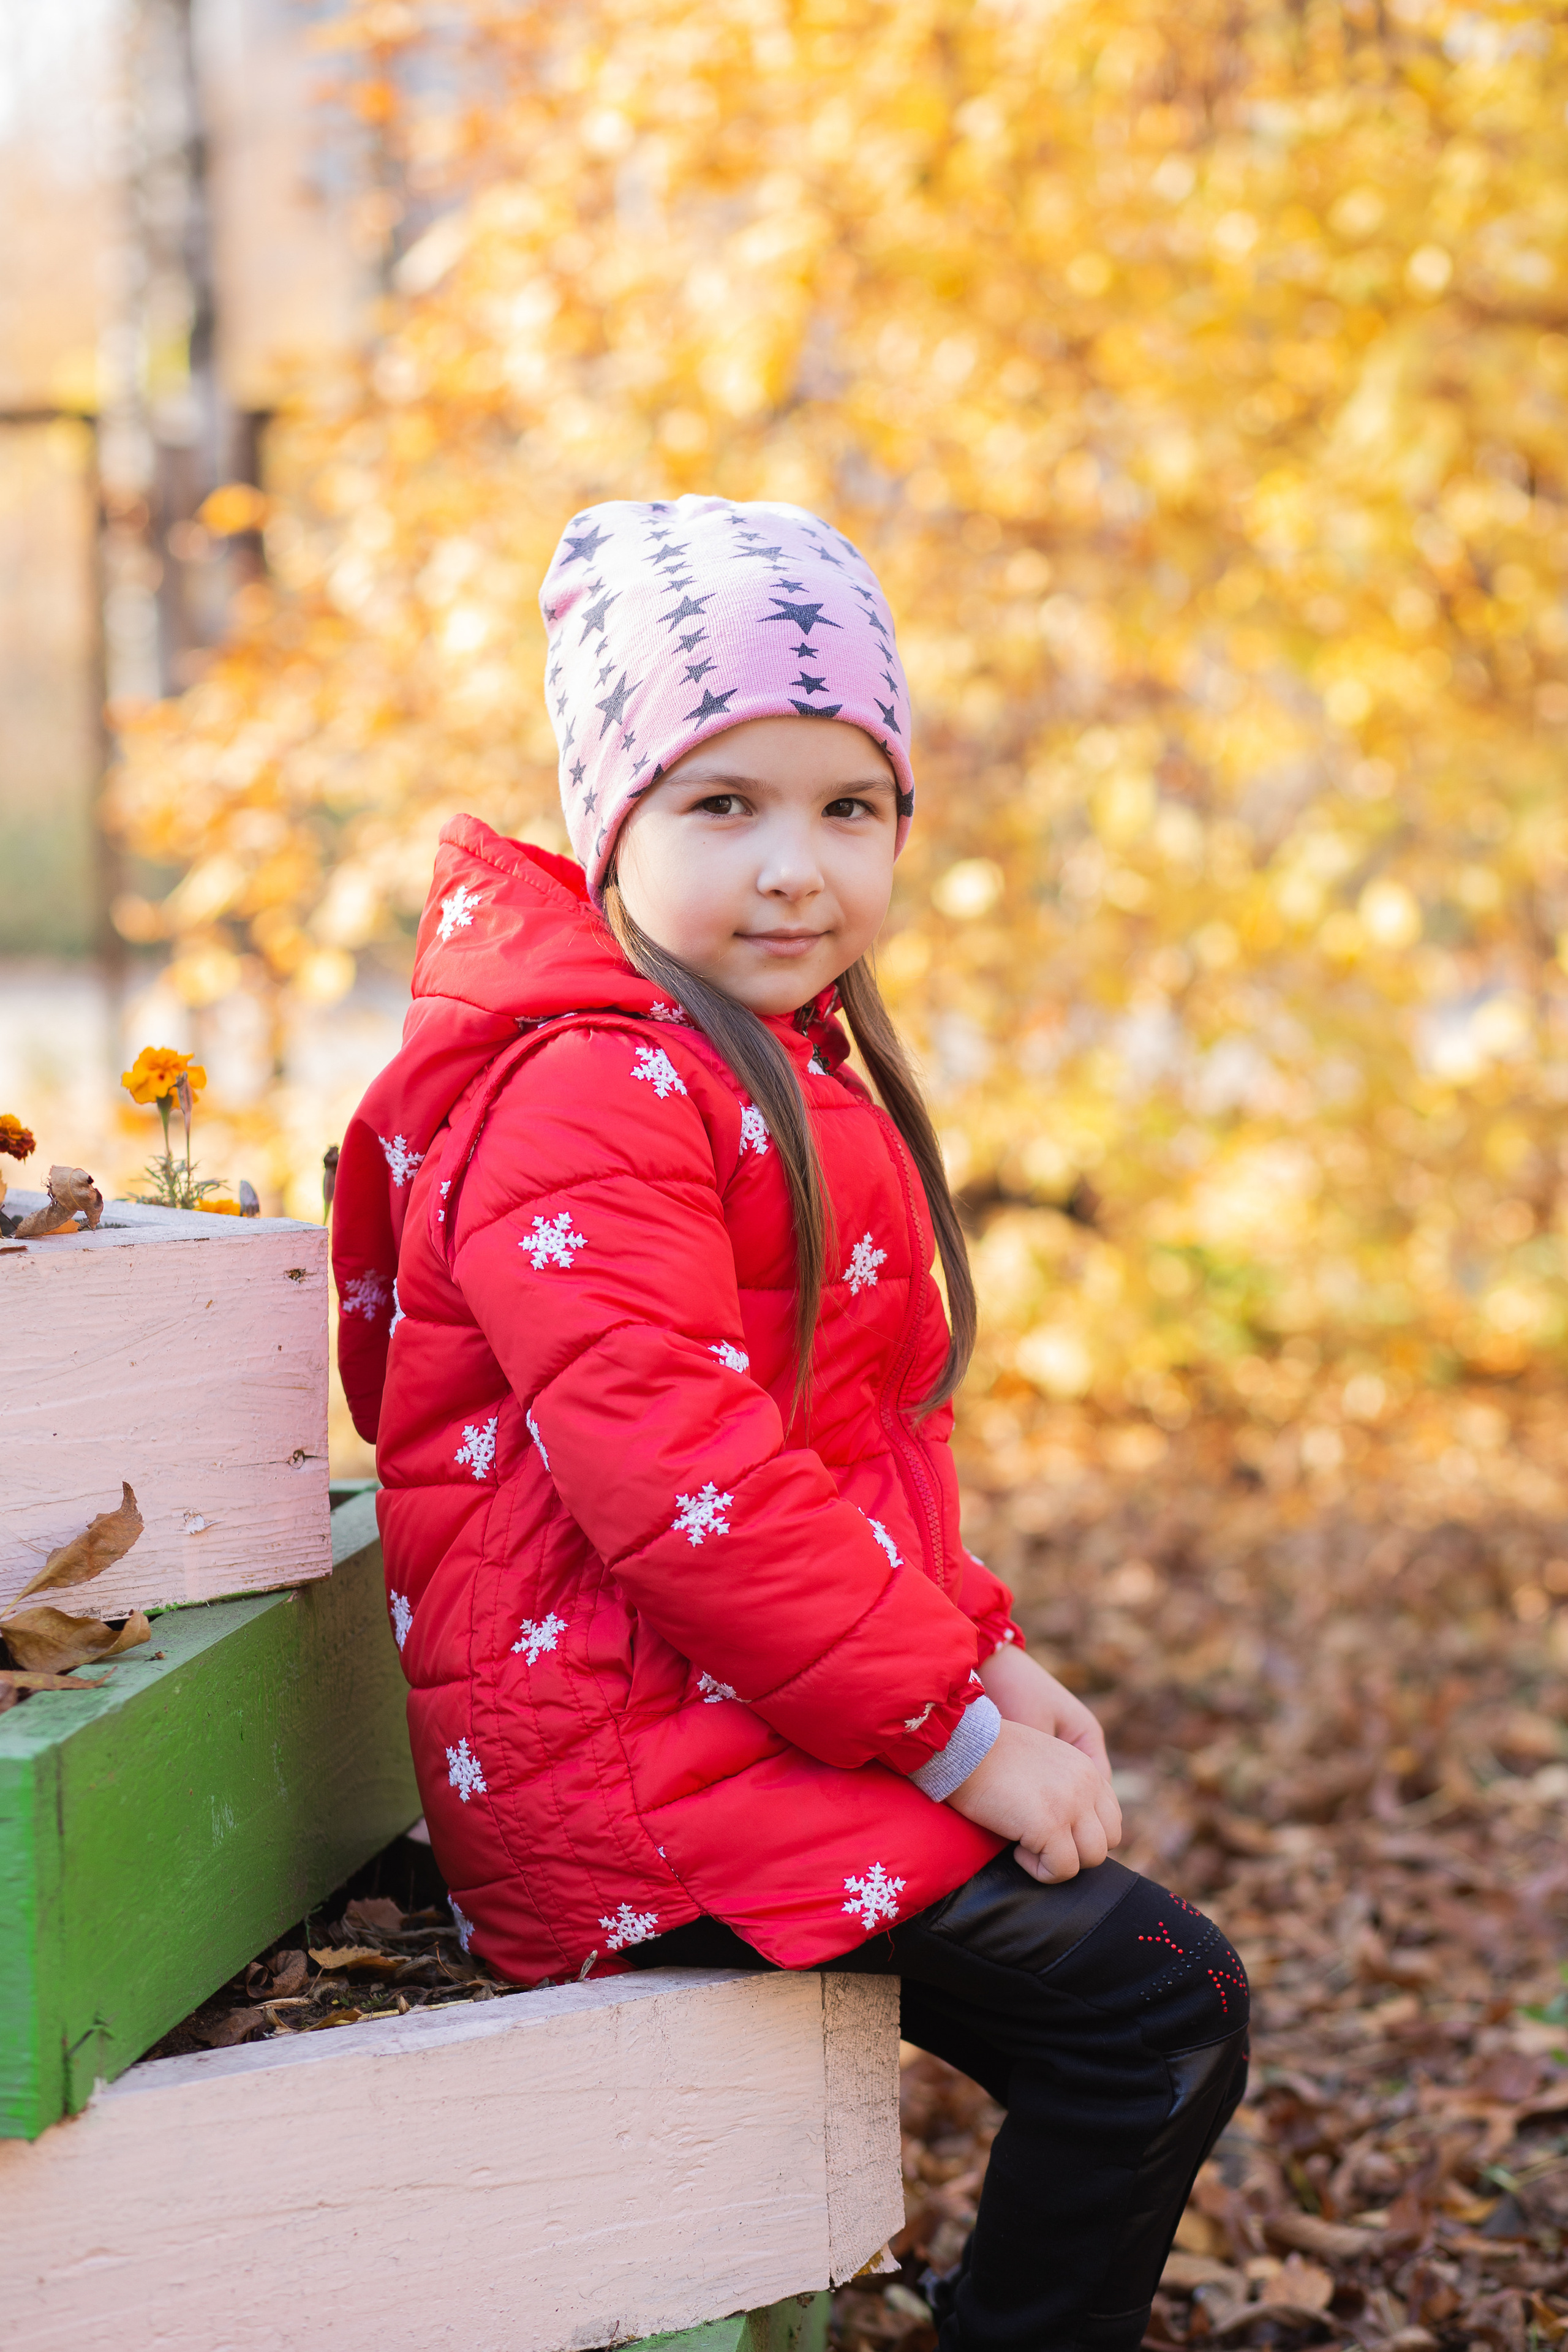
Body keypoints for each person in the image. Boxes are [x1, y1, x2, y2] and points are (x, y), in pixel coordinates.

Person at [332, 495, 1248, 2352]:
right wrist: (949, 1737)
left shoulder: (767, 1066)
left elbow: (840, 1465)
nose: (793, 870)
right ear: (614, 827)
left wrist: (994, 1657)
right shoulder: (589, 1093)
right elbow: (702, 1501)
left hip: (705, 1730)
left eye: (849, 808)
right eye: (722, 805)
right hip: (624, 1792)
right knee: (1154, 2006)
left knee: (1151, 1995)